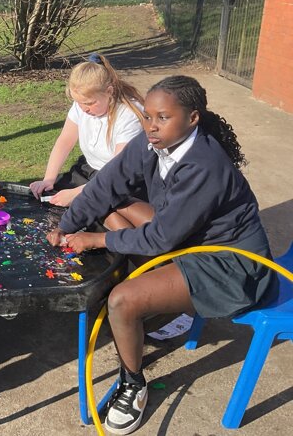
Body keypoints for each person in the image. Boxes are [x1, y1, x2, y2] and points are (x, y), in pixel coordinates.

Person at [47, 75, 278, 435]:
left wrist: (96, 240)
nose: (151, 126)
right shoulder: (152, 143)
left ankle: (132, 385)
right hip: (191, 239)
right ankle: (155, 296)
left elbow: (160, 238)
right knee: (113, 202)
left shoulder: (204, 166)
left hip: (232, 265)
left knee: (122, 301)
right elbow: (106, 183)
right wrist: (66, 225)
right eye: (148, 117)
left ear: (192, 118)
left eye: (163, 118)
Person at [29, 53, 149, 230]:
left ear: (109, 92)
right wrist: (49, 179)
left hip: (122, 180)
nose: (84, 109)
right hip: (89, 171)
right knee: (54, 201)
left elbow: (116, 172)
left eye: (90, 103)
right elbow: (65, 141)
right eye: (79, 103)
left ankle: (127, 242)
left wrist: (78, 194)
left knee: (99, 211)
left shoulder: (128, 115)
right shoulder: (82, 105)